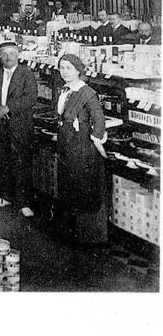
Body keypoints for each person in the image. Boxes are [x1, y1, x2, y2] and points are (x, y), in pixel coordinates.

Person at [0, 41, 38, 217]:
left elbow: (31, 98)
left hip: (19, 125)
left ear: (18, 55)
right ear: (0, 57)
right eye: (4, 54)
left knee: (21, 164)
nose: (8, 57)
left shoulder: (26, 74)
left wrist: (8, 108)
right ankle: (5, 196)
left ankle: (24, 203)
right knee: (2, 162)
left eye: (12, 53)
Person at [55, 54, 108, 245]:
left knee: (80, 185)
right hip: (66, 142)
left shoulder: (87, 92)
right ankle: (70, 232)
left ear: (78, 70)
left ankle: (84, 236)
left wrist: (96, 138)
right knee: (68, 184)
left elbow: (99, 119)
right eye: (62, 68)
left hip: (80, 145)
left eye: (69, 68)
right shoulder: (64, 89)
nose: (65, 72)